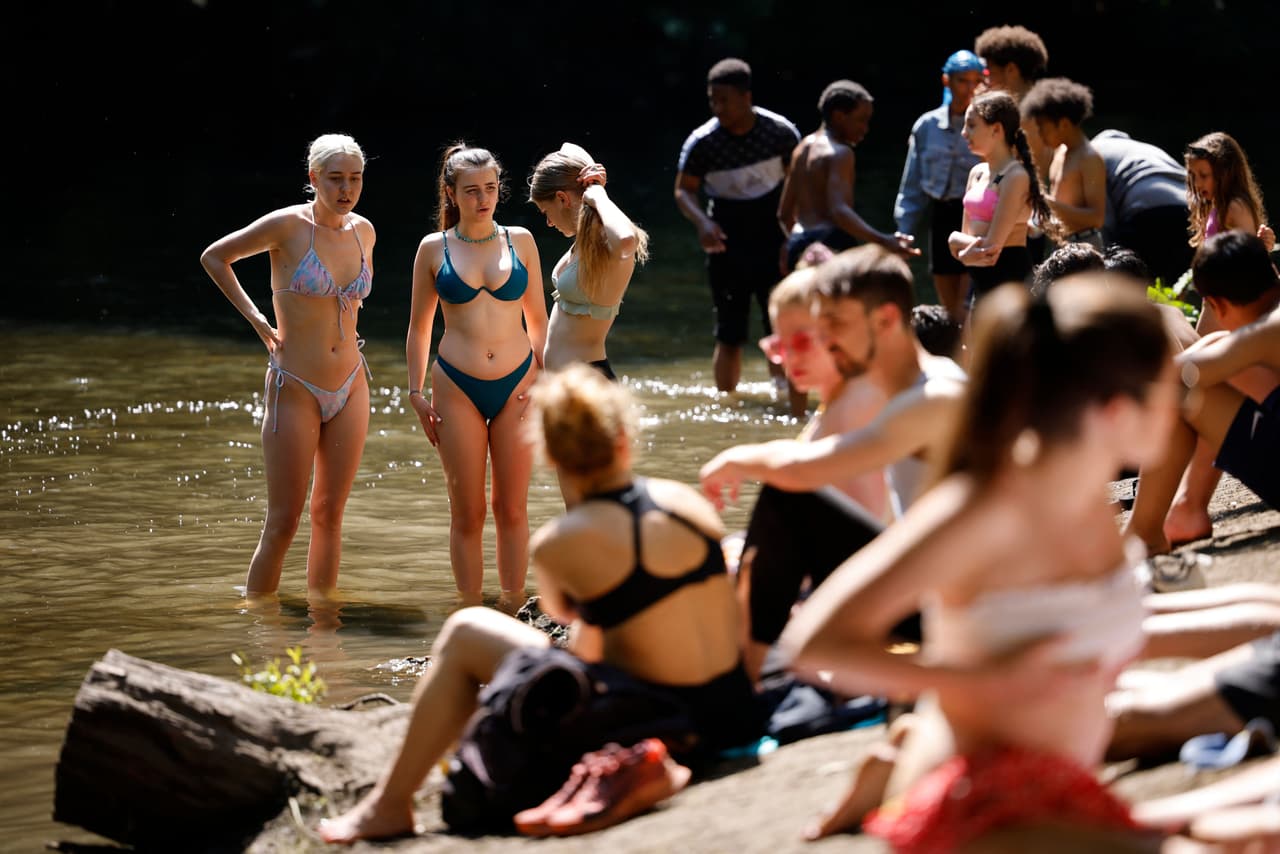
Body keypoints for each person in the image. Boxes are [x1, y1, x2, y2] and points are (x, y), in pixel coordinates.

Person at [780, 276, 1179, 848]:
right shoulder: (987, 509)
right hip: (979, 807)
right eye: (1175, 386)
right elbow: (812, 643)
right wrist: (985, 681)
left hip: (1061, 791)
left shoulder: (1089, 493)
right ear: (1117, 410)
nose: (1184, 403)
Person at [317, 364, 764, 843]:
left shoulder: (560, 543)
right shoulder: (684, 501)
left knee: (467, 629)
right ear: (625, 440)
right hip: (731, 712)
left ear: (551, 456)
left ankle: (389, 806)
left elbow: (582, 649)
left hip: (663, 721)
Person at [700, 246, 966, 681]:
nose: (826, 342)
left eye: (835, 327)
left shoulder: (933, 396)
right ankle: (748, 673)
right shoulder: (908, 390)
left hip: (954, 616)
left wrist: (736, 457)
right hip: (928, 592)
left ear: (885, 320)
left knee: (789, 496)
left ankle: (742, 690)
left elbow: (808, 469)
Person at [200, 133, 375, 596]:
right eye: (336, 178)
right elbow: (215, 257)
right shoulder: (287, 226)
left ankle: (325, 630)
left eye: (355, 179)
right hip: (294, 383)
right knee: (283, 520)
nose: (346, 189)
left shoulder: (365, 231)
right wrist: (257, 320)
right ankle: (260, 628)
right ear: (314, 177)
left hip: (352, 383)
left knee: (330, 515)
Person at [406, 143, 549, 610]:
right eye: (471, 191)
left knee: (511, 507)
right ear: (451, 193)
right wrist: (414, 391)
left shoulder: (521, 239)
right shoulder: (434, 248)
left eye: (490, 188)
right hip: (455, 385)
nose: (483, 199)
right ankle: (468, 611)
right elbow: (419, 327)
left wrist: (546, 381)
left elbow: (540, 321)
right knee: (467, 512)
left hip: (519, 384)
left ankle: (514, 606)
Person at [1124, 230, 1280, 556]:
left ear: (1216, 305)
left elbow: (1179, 379)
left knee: (1183, 394)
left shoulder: (1268, 331)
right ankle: (1186, 508)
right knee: (1209, 360)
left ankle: (1145, 532)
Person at [674, 57, 801, 395]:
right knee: (728, 333)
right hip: (726, 242)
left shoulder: (780, 133)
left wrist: (796, 237)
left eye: (724, 100)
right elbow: (683, 190)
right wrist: (702, 223)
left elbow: (800, 186)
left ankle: (785, 396)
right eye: (712, 100)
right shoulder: (703, 142)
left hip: (775, 238)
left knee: (780, 323)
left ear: (746, 97)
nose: (718, 108)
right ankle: (726, 403)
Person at [528, 143, 650, 382]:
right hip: (567, 385)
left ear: (562, 198)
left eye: (545, 212)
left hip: (589, 385)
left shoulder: (607, 240)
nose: (549, 223)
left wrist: (597, 193)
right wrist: (592, 181)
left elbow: (627, 240)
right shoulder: (587, 240)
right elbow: (569, 147)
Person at [778, 79, 918, 274]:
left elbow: (784, 215)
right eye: (861, 119)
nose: (865, 128)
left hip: (798, 243)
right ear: (839, 116)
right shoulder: (840, 153)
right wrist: (883, 239)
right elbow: (839, 211)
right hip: (831, 242)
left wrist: (797, 243)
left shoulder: (801, 150)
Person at [894, 50, 986, 320]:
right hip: (942, 216)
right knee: (949, 311)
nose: (969, 89)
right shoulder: (927, 126)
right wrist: (904, 232)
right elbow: (912, 186)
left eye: (975, 81)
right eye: (962, 81)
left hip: (978, 217)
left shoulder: (989, 123)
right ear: (947, 81)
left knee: (968, 306)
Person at [949, 90, 1057, 306]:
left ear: (996, 129)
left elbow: (991, 250)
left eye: (971, 125)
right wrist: (957, 243)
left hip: (1009, 284)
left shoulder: (1015, 175)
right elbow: (965, 241)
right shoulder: (977, 172)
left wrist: (955, 242)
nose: (963, 132)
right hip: (980, 284)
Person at [1185, 131, 1271, 334]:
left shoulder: (1235, 207)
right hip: (1217, 298)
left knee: (1198, 362)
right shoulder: (1216, 207)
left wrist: (1261, 246)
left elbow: (1250, 260)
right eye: (1193, 176)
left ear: (1225, 172)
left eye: (1203, 176)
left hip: (1228, 299)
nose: (1197, 184)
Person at [1092, 129, 1194, 288]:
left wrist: (1104, 255)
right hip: (1187, 209)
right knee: (1174, 287)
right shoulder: (1146, 148)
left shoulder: (1092, 152)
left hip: (1144, 213)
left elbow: (1104, 214)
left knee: (1128, 283)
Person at [1021, 78, 1106, 250]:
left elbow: (1096, 219)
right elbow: (1058, 209)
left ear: (1064, 124)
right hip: (1061, 245)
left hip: (1085, 247)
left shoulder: (1089, 158)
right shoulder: (1060, 153)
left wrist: (1047, 202)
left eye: (1042, 127)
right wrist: (1035, 224)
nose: (1039, 133)